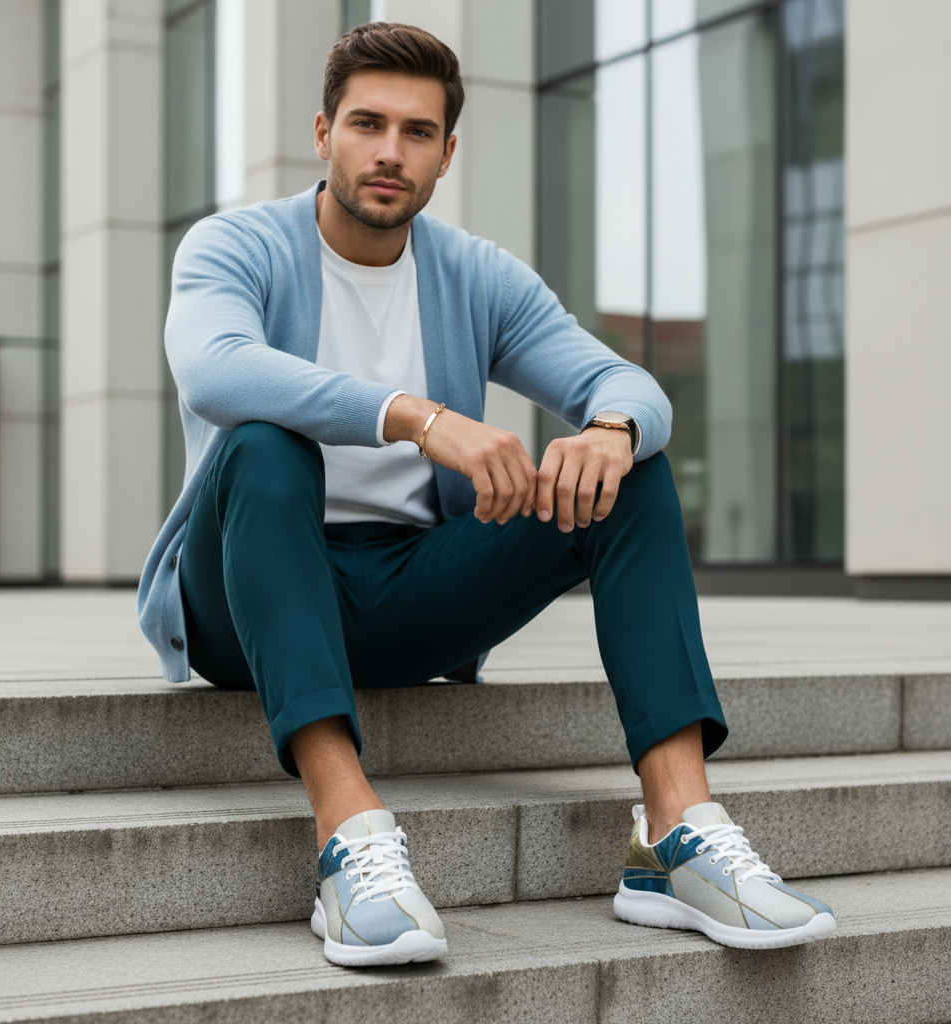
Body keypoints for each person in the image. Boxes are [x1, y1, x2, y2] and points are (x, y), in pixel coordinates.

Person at [138, 21, 836, 967]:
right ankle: (350, 839)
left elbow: (630, 386)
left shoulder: (474, 274)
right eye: (367, 124)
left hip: (416, 593)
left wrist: (609, 431)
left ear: (446, 153)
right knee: (266, 447)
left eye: (417, 133)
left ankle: (676, 832)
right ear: (323, 131)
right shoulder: (235, 247)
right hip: (247, 596)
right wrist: (419, 417)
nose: (389, 152)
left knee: (630, 469)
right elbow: (216, 373)